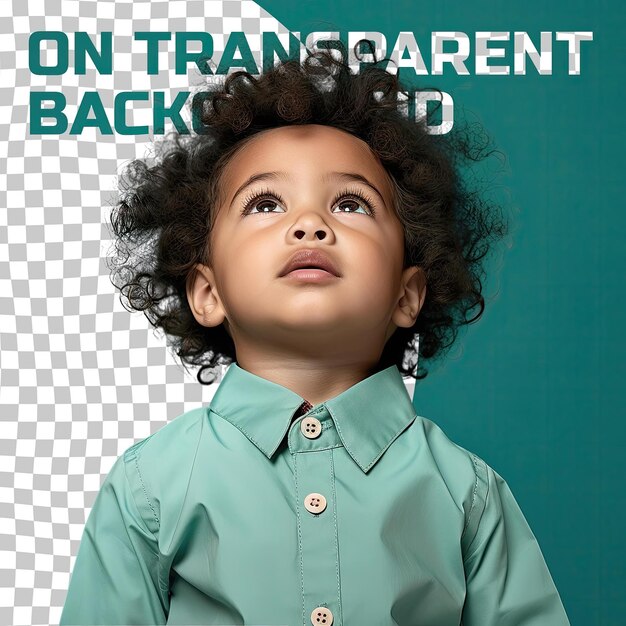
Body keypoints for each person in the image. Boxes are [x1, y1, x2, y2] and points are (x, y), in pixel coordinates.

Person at [59, 41, 570, 625]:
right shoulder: (149, 487)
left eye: (351, 203)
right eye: (265, 203)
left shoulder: (467, 495)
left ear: (407, 294)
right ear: (207, 292)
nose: (309, 224)